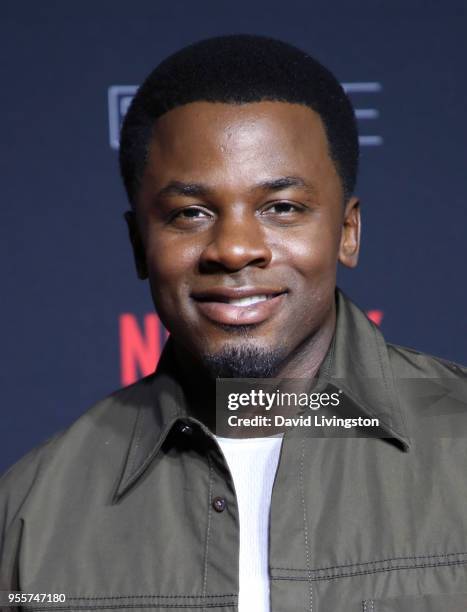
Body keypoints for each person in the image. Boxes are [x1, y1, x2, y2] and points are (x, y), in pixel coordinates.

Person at [1, 34, 466, 612]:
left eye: (282, 208)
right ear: (138, 244)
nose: (236, 248)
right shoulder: (28, 515)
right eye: (190, 213)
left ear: (347, 231)